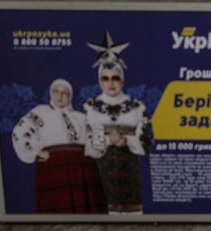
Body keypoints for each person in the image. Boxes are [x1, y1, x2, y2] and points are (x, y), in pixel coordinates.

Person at [10, 78, 106, 214]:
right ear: (50, 93)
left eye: (65, 93)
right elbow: (19, 132)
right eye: (56, 91)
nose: (60, 96)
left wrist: (94, 144)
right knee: (57, 207)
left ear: (70, 96)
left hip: (83, 170)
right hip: (54, 167)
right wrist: (37, 151)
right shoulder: (40, 113)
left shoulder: (81, 117)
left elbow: (98, 140)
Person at [83, 32, 149, 215]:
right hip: (101, 173)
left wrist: (127, 141)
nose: (110, 83)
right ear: (99, 81)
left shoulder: (137, 106)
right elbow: (85, 143)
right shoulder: (90, 107)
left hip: (130, 174)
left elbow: (148, 140)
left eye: (115, 78)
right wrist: (108, 141)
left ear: (122, 80)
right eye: (106, 78)